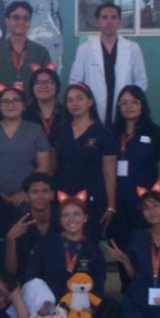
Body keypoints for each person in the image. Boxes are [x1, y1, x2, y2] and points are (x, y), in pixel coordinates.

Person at [109, 86, 160, 289]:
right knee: (119, 244)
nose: (129, 106)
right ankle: (127, 289)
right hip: (116, 202)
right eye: (124, 102)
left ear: (143, 105)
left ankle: (147, 288)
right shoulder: (110, 132)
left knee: (143, 247)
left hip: (145, 205)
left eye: (135, 102)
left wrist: (155, 198)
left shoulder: (156, 132)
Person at [26, 192, 106, 318]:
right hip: (50, 302)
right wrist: (39, 304)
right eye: (66, 215)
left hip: (79, 305)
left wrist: (91, 308)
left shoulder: (92, 249)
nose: (71, 220)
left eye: (77, 214)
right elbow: (33, 274)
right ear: (60, 220)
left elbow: (99, 281)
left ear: (85, 218)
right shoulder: (48, 242)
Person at [53, 82, 117, 239]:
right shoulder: (60, 130)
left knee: (89, 243)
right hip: (63, 197)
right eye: (70, 100)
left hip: (93, 199)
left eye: (79, 98)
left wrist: (111, 206)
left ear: (90, 102)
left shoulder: (103, 133)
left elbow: (109, 173)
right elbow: (53, 166)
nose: (74, 103)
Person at [68, 2, 148, 126]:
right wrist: (83, 103)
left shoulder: (132, 48)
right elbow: (75, 82)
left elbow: (141, 81)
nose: (109, 22)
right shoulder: (85, 49)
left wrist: (130, 102)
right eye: (104, 17)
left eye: (113, 17)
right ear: (97, 22)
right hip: (93, 111)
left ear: (120, 22)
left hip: (123, 111)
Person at [0, 88, 50, 205]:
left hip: (28, 198)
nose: (10, 104)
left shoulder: (36, 130)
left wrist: (26, 192)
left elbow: (44, 165)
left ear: (24, 105)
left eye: (15, 100)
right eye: (5, 101)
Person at [0, 1, 53, 105]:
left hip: (34, 110)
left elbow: (47, 85)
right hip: (4, 110)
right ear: (7, 21)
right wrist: (5, 107)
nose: (21, 22)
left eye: (26, 18)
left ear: (30, 23)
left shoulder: (41, 52)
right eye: (16, 17)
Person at [5, 173, 61, 282]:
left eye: (45, 191)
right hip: (27, 282)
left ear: (52, 195)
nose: (40, 196)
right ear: (26, 196)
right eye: (35, 192)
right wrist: (10, 239)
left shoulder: (63, 220)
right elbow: (11, 271)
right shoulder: (17, 223)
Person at [22, 67, 68, 155]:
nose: (43, 86)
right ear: (32, 87)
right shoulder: (24, 115)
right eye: (38, 83)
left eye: (49, 82)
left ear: (57, 86)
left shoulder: (67, 113)